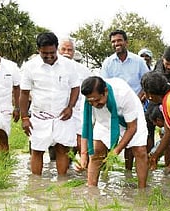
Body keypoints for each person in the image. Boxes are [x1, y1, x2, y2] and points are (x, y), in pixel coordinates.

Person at [19, 32, 80, 176]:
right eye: (44, 53)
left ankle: (61, 183)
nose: (49, 56)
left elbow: (75, 87)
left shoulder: (69, 65)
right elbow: (24, 94)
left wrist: (70, 107)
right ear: (38, 50)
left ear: (57, 48)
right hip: (39, 116)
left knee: (62, 149)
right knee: (37, 150)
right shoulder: (30, 67)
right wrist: (24, 118)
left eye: (52, 52)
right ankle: (36, 187)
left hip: (62, 115)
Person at [77, 76, 149, 189]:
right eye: (91, 102)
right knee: (96, 152)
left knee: (140, 151)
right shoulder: (87, 101)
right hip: (105, 119)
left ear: (105, 91)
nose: (95, 104)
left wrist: (117, 150)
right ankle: (91, 190)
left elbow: (132, 127)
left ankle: (142, 190)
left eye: (97, 100)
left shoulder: (123, 94)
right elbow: (86, 128)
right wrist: (83, 154)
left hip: (130, 118)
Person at [99, 29, 150, 172]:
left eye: (119, 40)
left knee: (136, 144)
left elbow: (146, 82)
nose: (116, 43)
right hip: (115, 107)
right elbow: (104, 86)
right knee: (110, 139)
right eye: (113, 41)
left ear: (126, 42)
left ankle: (132, 175)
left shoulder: (138, 61)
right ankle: (113, 171)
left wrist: (138, 99)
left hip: (136, 105)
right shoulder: (108, 63)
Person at [58, 37, 93, 159]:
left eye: (70, 50)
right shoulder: (52, 68)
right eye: (63, 49)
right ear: (58, 50)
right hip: (59, 111)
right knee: (61, 146)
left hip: (79, 111)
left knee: (82, 144)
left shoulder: (83, 70)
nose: (66, 52)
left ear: (74, 52)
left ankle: (86, 173)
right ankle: (64, 175)